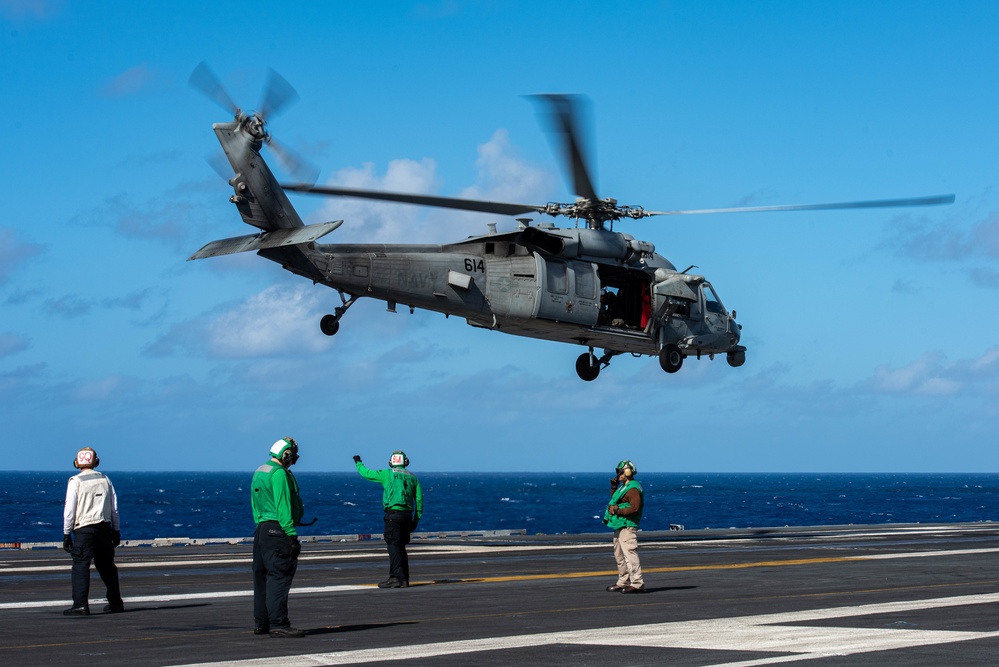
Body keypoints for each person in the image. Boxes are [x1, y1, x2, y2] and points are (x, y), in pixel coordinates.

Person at [251, 438, 305, 638]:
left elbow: (255, 504)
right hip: (278, 530)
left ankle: (261, 623)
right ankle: (279, 623)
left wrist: (261, 527)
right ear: (287, 454)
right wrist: (291, 535)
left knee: (261, 578)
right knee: (278, 577)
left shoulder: (260, 470)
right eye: (293, 456)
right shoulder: (279, 473)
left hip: (262, 530)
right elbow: (283, 506)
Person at [62, 446, 125, 616]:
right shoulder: (105, 479)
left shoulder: (75, 481)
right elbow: (114, 510)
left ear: (77, 462)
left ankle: (80, 605)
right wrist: (116, 531)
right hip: (104, 528)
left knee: (81, 565)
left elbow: (69, 511)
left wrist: (67, 534)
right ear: (96, 462)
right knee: (107, 567)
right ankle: (115, 602)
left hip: (84, 530)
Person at [353, 450, 423, 588]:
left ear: (391, 462)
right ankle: (404, 579)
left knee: (393, 545)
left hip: (393, 516)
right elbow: (419, 500)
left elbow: (367, 474)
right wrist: (416, 520)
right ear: (406, 462)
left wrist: (358, 463)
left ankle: (396, 578)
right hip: (407, 516)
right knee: (401, 547)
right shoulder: (413, 478)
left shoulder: (387, 474)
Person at [603, 459, 645, 594]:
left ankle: (637, 583)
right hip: (620, 524)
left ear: (627, 471)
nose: (618, 474)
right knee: (619, 555)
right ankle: (623, 582)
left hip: (627, 525)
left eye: (619, 471)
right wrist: (613, 487)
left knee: (629, 554)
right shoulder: (623, 487)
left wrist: (618, 511)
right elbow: (615, 500)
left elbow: (635, 508)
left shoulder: (633, 488)